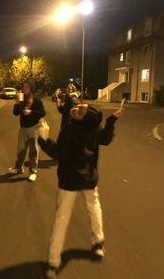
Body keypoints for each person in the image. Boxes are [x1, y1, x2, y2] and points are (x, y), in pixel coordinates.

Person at [38, 103, 123, 278]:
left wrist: (43, 138)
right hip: (88, 178)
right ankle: (98, 243)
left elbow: (57, 153)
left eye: (80, 111)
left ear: (83, 119)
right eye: (79, 106)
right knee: (94, 208)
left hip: (69, 180)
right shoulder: (92, 127)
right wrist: (111, 120)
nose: (75, 108)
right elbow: (105, 139)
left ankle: (53, 262)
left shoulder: (70, 129)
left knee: (61, 218)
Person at [8, 81, 46, 182]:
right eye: (23, 86)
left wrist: (31, 112)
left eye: (26, 87)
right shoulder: (21, 100)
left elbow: (43, 113)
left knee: (33, 151)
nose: (24, 89)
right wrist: (16, 104)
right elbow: (16, 113)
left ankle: (33, 172)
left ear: (31, 89)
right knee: (20, 150)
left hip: (34, 128)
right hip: (23, 129)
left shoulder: (37, 101)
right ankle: (19, 168)